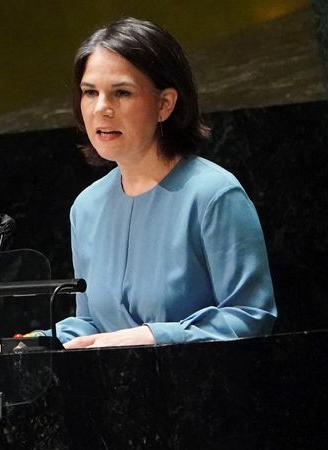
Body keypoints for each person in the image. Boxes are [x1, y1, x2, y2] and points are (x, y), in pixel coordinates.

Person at [48, 17, 277, 350]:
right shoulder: (87, 207)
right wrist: (33, 346)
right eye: (89, 92)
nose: (101, 109)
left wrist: (155, 336)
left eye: (121, 93)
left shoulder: (213, 195)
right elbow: (92, 324)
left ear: (165, 103)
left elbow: (250, 317)